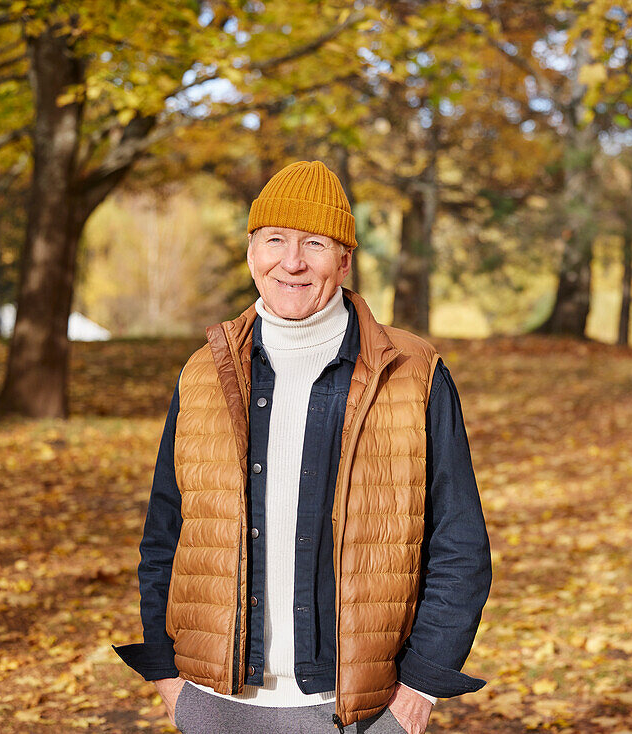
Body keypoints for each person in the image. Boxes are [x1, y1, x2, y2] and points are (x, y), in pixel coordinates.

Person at [114, 160, 492, 734]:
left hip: (358, 708)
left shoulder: (413, 373)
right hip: (215, 703)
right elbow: (167, 530)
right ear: (251, 252)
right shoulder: (203, 373)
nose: (291, 262)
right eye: (275, 241)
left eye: (314, 244)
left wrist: (420, 687)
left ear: (344, 260)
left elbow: (458, 541)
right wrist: (170, 679)